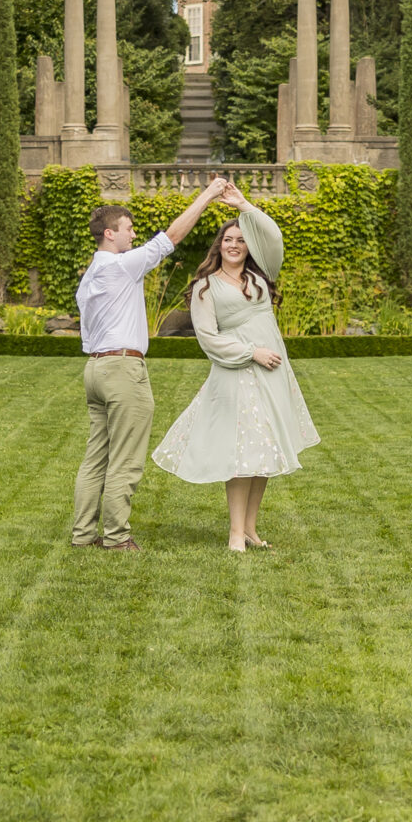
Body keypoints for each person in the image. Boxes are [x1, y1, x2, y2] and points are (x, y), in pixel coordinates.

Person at [152, 182, 320, 551]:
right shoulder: (205, 287)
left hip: (273, 373)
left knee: (265, 451)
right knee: (243, 453)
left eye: (241, 240)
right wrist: (251, 352)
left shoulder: (262, 275)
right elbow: (208, 338)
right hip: (238, 373)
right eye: (228, 240)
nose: (233, 245)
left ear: (248, 247)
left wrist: (244, 205)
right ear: (218, 246)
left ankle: (250, 529)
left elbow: (273, 237)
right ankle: (234, 533)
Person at [72, 174, 231, 551]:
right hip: (122, 371)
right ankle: (117, 538)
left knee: (95, 458)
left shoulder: (90, 276)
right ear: (109, 234)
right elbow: (171, 238)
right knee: (125, 459)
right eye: (128, 229)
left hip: (95, 369)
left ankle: (83, 535)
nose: (133, 235)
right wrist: (208, 194)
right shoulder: (120, 266)